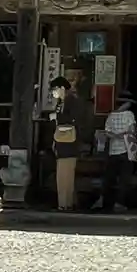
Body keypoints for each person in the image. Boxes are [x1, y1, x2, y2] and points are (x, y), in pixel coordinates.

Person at [49, 74, 92, 211]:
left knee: (64, 175)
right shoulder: (62, 102)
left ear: (62, 88)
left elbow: (75, 120)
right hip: (62, 142)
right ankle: (68, 202)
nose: (53, 93)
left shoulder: (73, 101)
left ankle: (64, 204)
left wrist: (57, 117)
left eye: (54, 89)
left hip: (69, 142)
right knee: (64, 174)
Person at [100, 91, 137, 213]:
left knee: (110, 178)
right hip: (126, 150)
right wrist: (124, 135)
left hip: (113, 151)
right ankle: (119, 203)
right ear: (126, 104)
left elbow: (107, 133)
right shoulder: (129, 115)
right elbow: (132, 131)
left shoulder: (111, 116)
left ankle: (106, 202)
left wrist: (116, 136)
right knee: (124, 179)